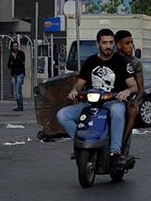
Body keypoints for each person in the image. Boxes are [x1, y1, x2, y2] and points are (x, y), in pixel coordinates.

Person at [56, 29, 137, 164]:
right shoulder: (90, 61)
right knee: (62, 115)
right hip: (90, 103)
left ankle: (116, 151)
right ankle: (80, 144)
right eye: (104, 43)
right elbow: (79, 85)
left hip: (112, 101)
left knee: (118, 111)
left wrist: (127, 91)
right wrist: (74, 91)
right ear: (98, 44)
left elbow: (133, 86)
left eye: (111, 42)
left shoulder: (121, 62)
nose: (108, 46)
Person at [115, 30, 144, 148]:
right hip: (109, 96)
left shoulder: (135, 63)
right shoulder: (111, 59)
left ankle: (123, 143)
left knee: (132, 111)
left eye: (132, 43)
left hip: (128, 97)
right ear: (118, 45)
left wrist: (135, 101)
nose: (131, 46)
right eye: (127, 43)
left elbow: (140, 89)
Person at [8, 41, 26, 111]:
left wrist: (15, 59)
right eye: (13, 46)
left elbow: (21, 63)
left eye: (16, 46)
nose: (15, 47)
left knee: (18, 90)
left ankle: (20, 106)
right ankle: (19, 105)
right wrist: (13, 61)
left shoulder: (21, 53)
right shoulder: (11, 54)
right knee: (15, 91)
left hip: (20, 74)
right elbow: (9, 65)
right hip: (13, 74)